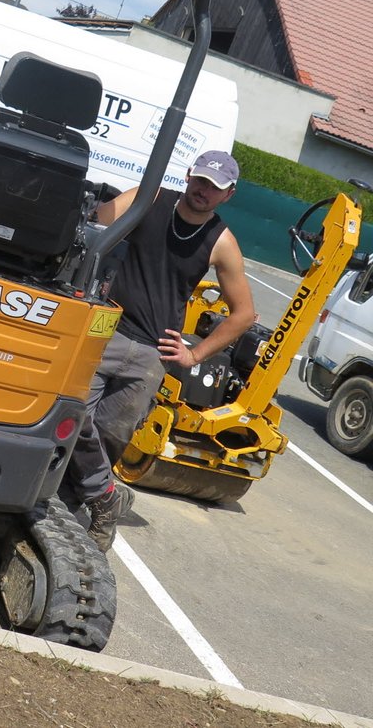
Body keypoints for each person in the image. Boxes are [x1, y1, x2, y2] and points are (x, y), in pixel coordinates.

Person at [64, 149, 255, 551]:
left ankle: (72, 507)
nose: (203, 190)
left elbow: (244, 315)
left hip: (153, 354)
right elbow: (93, 226)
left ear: (229, 194)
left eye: (215, 187)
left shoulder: (221, 242)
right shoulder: (150, 199)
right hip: (107, 330)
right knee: (72, 411)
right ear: (189, 175)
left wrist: (194, 354)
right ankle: (106, 500)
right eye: (201, 180)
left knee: (111, 436)